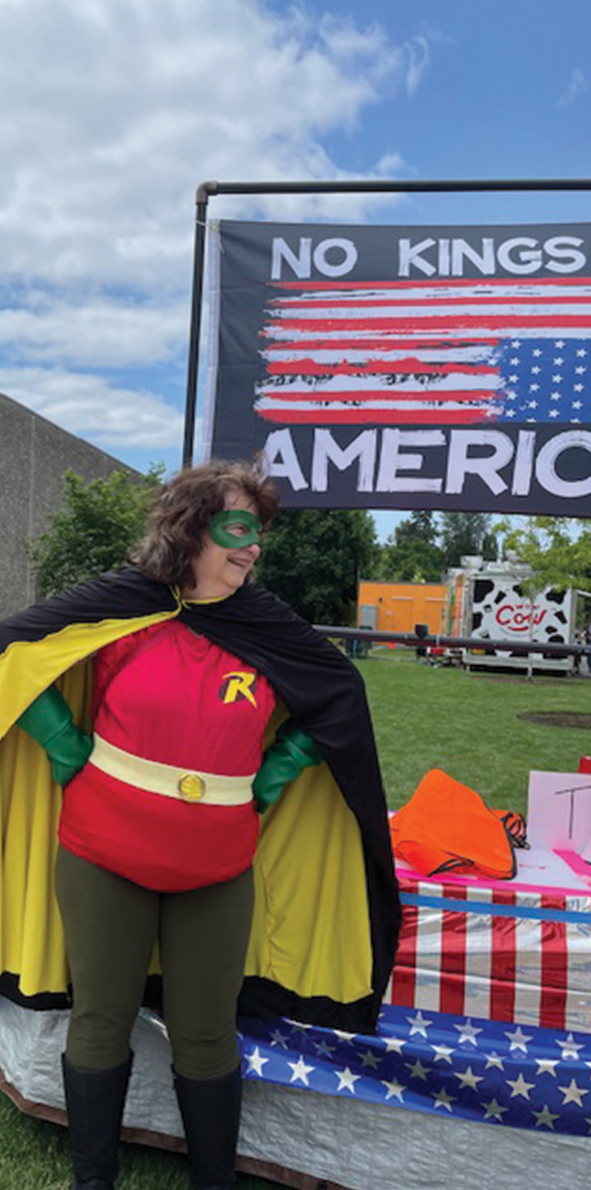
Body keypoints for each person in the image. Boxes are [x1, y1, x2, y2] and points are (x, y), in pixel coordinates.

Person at [0, 459, 400, 1190]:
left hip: (217, 867)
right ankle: (93, 1182)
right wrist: (63, 745)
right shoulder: (124, 605)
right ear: (191, 529)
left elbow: (339, 696)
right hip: (101, 852)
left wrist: (274, 775)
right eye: (239, 528)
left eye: (259, 532)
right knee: (101, 1019)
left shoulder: (265, 625)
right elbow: (12, 651)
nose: (253, 547)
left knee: (207, 1032)